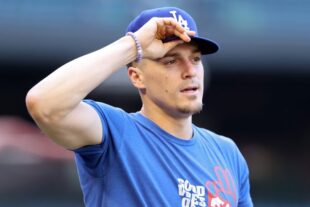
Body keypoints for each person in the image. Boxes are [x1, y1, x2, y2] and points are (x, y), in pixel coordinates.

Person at [25, 6, 253, 207]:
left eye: (195, 59)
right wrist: (135, 45)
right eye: (171, 60)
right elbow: (44, 103)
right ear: (137, 77)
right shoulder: (115, 132)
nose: (190, 71)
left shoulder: (227, 153)